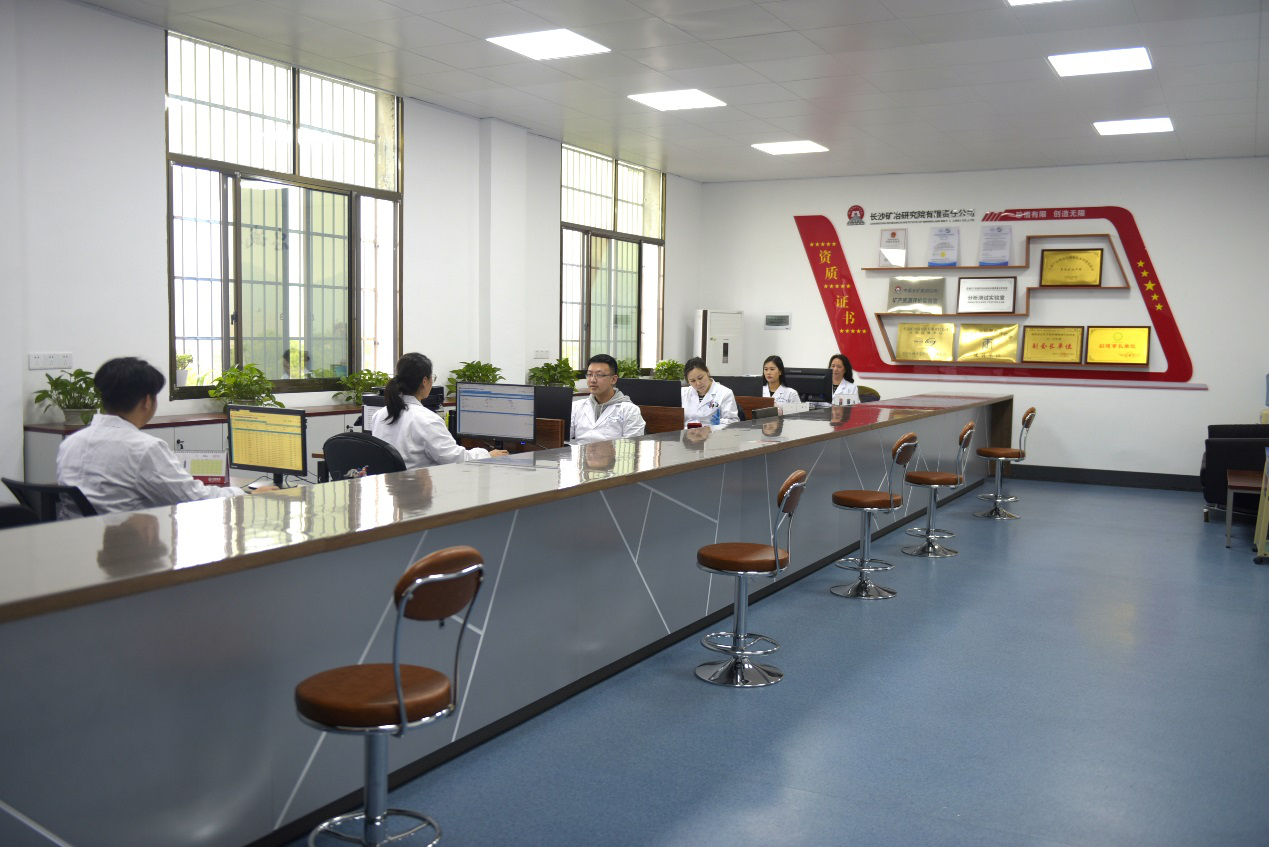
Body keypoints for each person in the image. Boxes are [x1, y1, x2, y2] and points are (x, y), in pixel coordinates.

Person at [57, 357, 276, 515]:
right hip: (125, 548)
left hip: (76, 545)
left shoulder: (71, 443)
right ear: (147, 401)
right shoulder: (144, 448)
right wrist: (247, 495)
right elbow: (193, 498)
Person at [369, 352, 507, 468]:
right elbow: (454, 458)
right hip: (416, 488)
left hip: (390, 487)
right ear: (424, 381)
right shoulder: (427, 420)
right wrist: (487, 454)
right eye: (432, 378)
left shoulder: (380, 415)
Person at [571, 353, 646, 444]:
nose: (592, 380)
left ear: (613, 379)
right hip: (580, 452)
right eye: (589, 374)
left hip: (614, 453)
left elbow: (631, 446)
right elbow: (563, 437)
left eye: (599, 375)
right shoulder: (576, 406)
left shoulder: (629, 410)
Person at [681, 357, 739, 430]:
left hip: (712, 434)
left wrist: (719, 424)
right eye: (692, 381)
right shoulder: (683, 393)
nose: (698, 383)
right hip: (687, 434)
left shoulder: (724, 393)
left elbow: (733, 422)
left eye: (700, 378)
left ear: (707, 372)